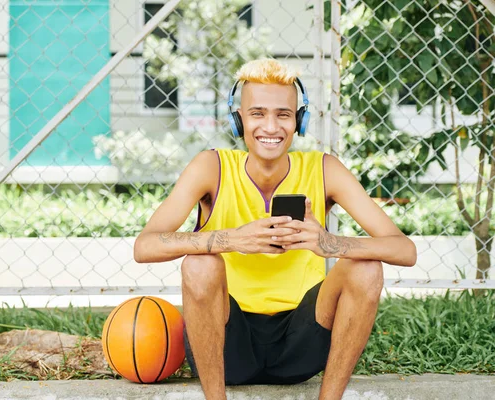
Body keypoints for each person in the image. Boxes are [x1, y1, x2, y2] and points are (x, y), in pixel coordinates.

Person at [133, 58, 416, 400]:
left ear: (299, 121)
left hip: (300, 345)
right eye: (257, 113)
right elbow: (144, 246)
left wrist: (329, 243)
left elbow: (404, 250)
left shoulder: (325, 169)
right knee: (200, 262)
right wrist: (230, 239)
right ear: (238, 119)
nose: (271, 126)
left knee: (366, 268)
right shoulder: (211, 167)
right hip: (225, 344)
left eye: (283, 114)